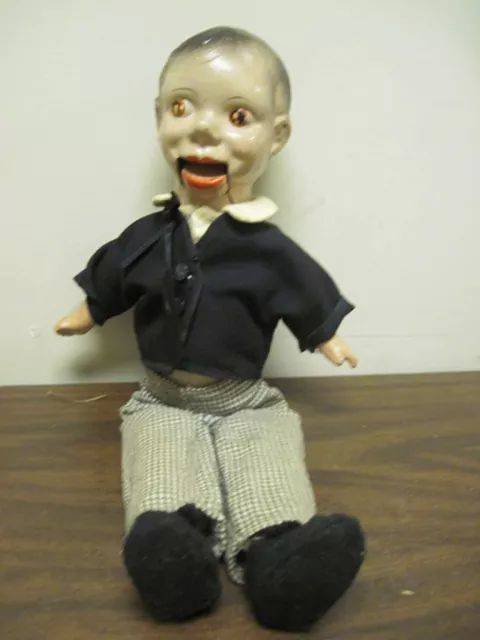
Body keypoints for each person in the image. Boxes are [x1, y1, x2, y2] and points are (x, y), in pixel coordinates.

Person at [55, 26, 365, 632]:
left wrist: (324, 333)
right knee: (161, 473)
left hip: (246, 399)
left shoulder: (267, 248)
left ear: (277, 136)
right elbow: (115, 273)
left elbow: (303, 290)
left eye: (238, 115)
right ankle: (178, 561)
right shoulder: (149, 237)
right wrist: (89, 309)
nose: (203, 129)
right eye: (181, 107)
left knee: (267, 464)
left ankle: (281, 558)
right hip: (162, 399)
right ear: (158, 119)